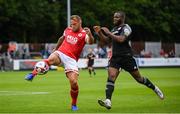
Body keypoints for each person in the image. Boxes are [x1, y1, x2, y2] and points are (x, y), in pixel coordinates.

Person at [93, 11, 164, 109]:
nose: (114, 18)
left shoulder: (126, 28)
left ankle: (155, 88)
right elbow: (106, 41)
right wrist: (99, 33)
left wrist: (109, 32)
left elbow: (122, 39)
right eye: (114, 17)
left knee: (139, 79)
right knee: (111, 76)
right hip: (116, 58)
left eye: (117, 17)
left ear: (122, 18)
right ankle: (108, 101)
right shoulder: (114, 29)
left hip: (127, 57)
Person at [25, 15, 94, 111]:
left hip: (71, 60)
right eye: (71, 24)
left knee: (74, 82)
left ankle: (74, 104)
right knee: (49, 60)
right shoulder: (67, 30)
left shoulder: (83, 34)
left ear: (79, 23)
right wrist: (56, 49)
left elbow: (90, 42)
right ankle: (32, 74)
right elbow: (61, 39)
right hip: (61, 53)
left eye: (74, 24)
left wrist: (90, 34)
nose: (72, 26)